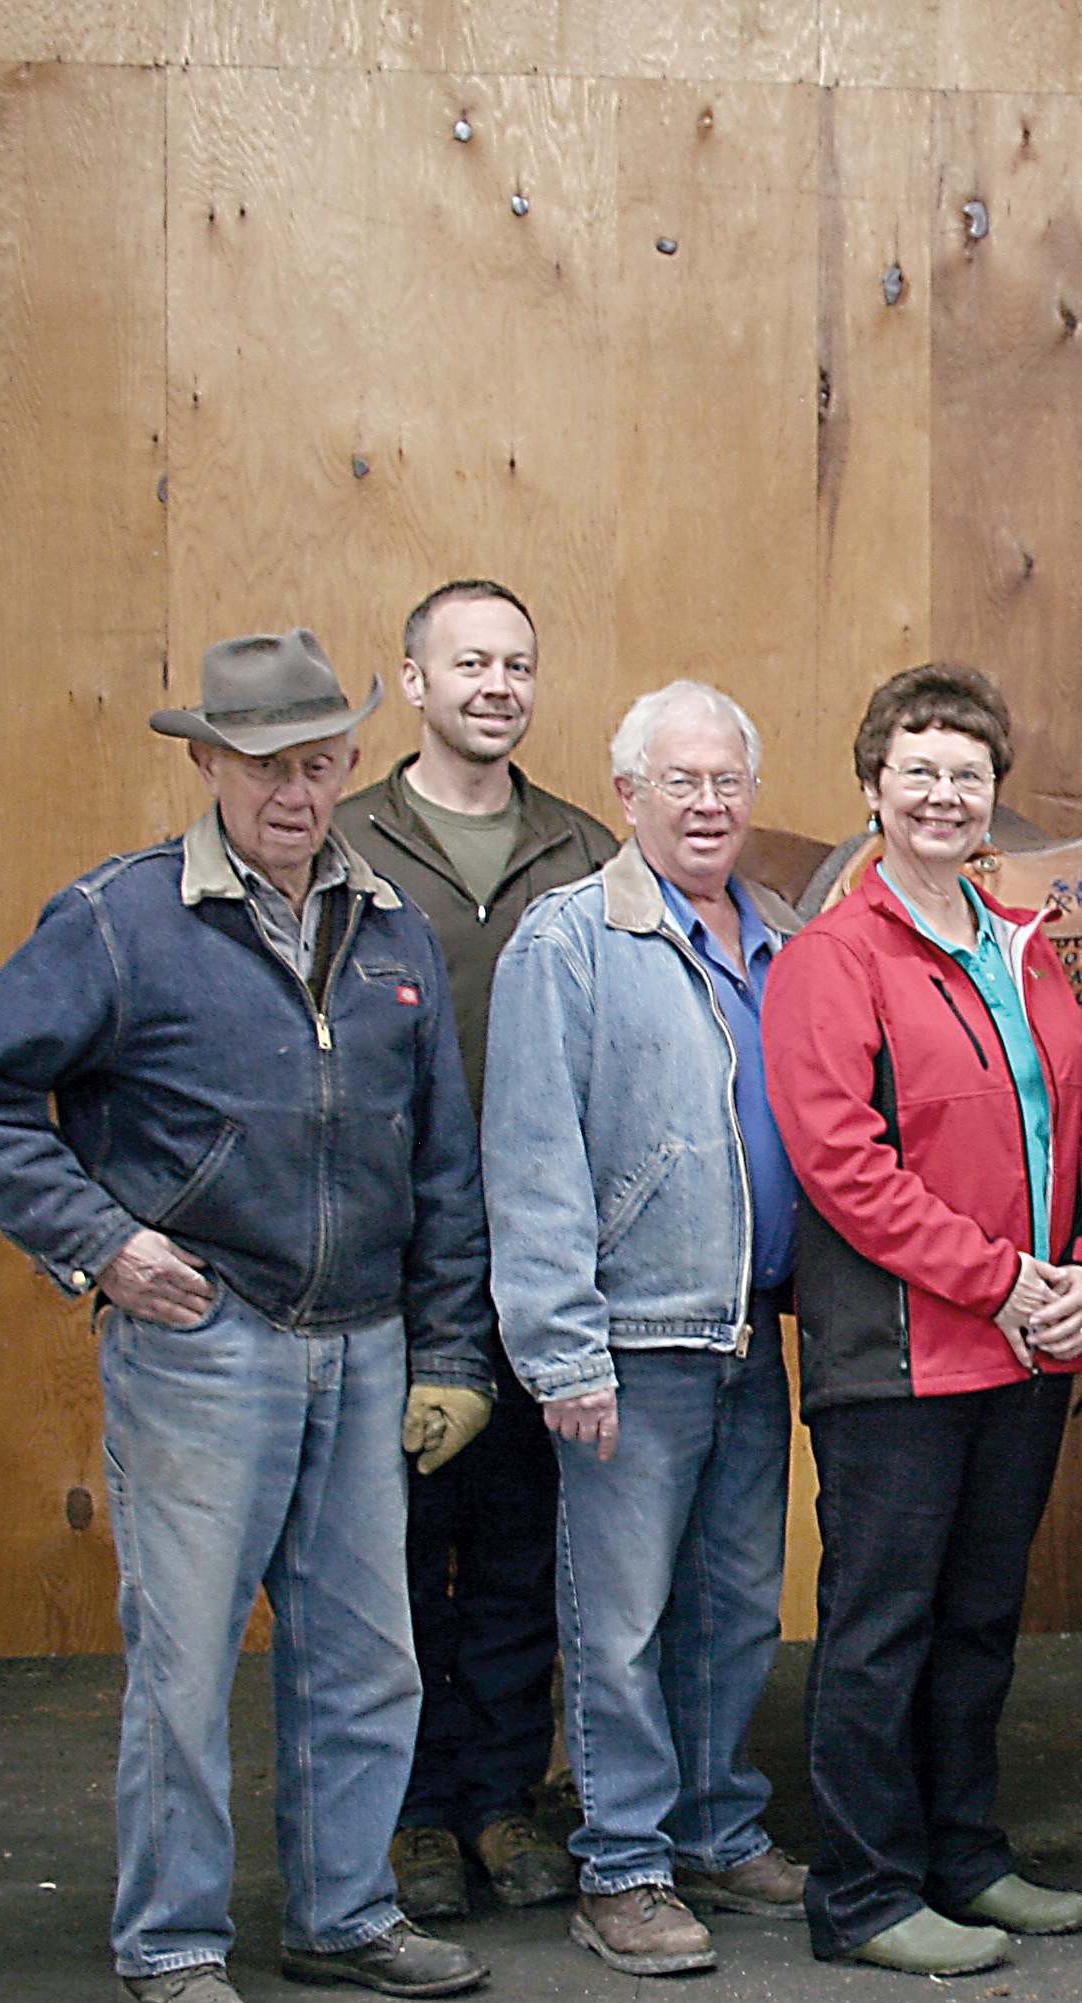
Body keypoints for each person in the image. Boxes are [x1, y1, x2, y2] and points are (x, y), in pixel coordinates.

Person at [0, 629, 495, 2003]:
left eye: (319, 762)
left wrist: (454, 1351)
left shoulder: (392, 926)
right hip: (205, 1341)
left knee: (369, 1656)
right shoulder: (123, 921)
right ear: (206, 766)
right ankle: (170, 1940)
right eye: (264, 766)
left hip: (363, 1346)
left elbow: (443, 1167)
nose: (297, 793)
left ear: (350, 761)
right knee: (182, 1664)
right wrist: (102, 1241)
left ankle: (345, 1914)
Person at [764, 663, 1082, 1978]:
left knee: (978, 1622)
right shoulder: (831, 959)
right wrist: (998, 1277)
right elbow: (842, 1167)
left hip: (1026, 1348)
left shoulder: (1018, 946)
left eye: (967, 773)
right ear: (873, 790)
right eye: (918, 769)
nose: (943, 793)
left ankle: (964, 1857)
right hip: (901, 1362)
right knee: (882, 1628)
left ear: (991, 800)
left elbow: (1080, 1121)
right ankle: (863, 1893)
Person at [485, 680, 812, 1978]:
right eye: (680, 781)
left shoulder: (779, 937)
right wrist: (561, 1351)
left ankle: (716, 1830)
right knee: (618, 1621)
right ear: (627, 798)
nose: (709, 803)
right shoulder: (567, 942)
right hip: (631, 1339)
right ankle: (622, 1864)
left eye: (727, 780)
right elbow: (530, 1159)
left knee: (735, 1608)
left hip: (747, 1336)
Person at [340, 578, 617, 1923]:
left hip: (541, 1262)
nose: (495, 685)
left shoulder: (582, 850)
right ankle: (403, 1814)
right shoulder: (344, 847)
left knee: (520, 1548)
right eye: (468, 662)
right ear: (413, 681)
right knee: (390, 1552)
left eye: (517, 663)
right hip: (385, 1263)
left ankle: (503, 1799)